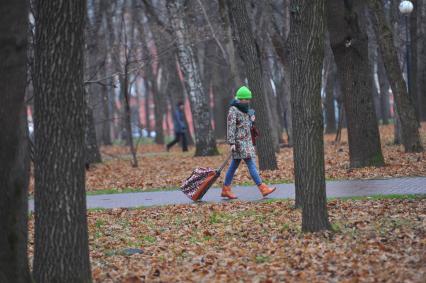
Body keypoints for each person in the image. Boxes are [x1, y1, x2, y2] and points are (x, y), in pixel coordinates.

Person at [221, 86, 276, 199]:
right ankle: (262, 188)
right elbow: (230, 127)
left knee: (233, 166)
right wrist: (231, 143)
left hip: (246, 142)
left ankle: (226, 189)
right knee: (251, 163)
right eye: (247, 99)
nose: (248, 101)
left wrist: (251, 120)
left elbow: (245, 126)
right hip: (239, 144)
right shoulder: (233, 110)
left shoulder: (246, 110)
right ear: (241, 99)